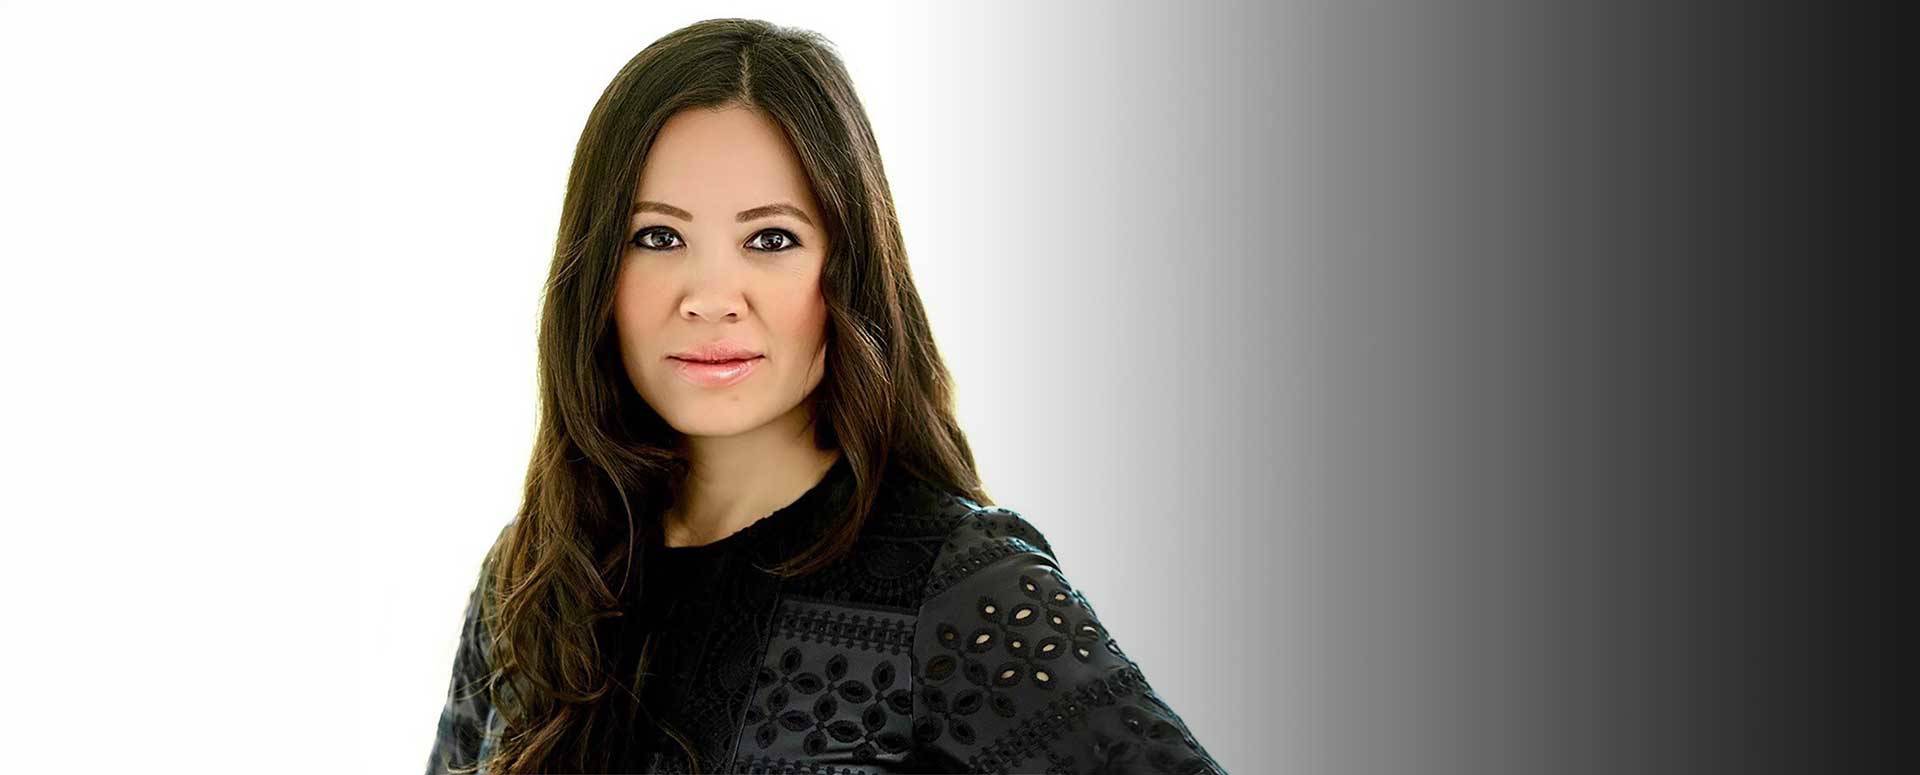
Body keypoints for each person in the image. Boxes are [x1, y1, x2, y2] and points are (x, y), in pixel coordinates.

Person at [425, 18, 1223, 775]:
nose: (710, 298)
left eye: (771, 238)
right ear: (596, 273)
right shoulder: (532, 575)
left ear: (848, 270)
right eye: (657, 237)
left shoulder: (960, 586)